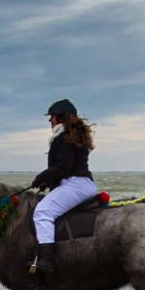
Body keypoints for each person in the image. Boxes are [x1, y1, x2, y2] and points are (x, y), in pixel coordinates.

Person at [28, 99, 97, 276]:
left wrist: (41, 177)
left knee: (42, 212)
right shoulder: (71, 136)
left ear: (60, 117)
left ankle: (47, 259)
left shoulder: (63, 137)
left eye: (51, 117)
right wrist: (46, 182)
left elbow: (63, 167)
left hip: (74, 184)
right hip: (80, 183)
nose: (49, 120)